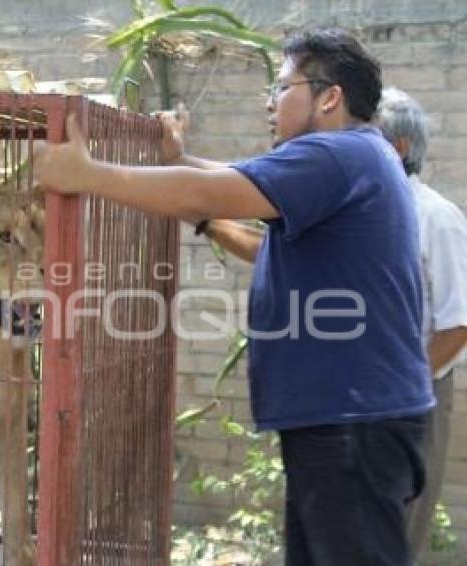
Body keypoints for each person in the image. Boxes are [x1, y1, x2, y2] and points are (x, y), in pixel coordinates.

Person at [34, 28, 434, 565]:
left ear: (329, 96)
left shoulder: (334, 155)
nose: (268, 102)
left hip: (352, 423)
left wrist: (88, 175)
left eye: (281, 87)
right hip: (349, 419)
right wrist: (180, 157)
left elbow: (211, 192)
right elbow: (230, 182)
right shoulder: (355, 156)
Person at [376, 87, 467, 563]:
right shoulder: (366, 214)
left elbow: (458, 325)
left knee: (400, 528)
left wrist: (403, 386)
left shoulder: (437, 217)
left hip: (417, 395)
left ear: (398, 148)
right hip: (368, 397)